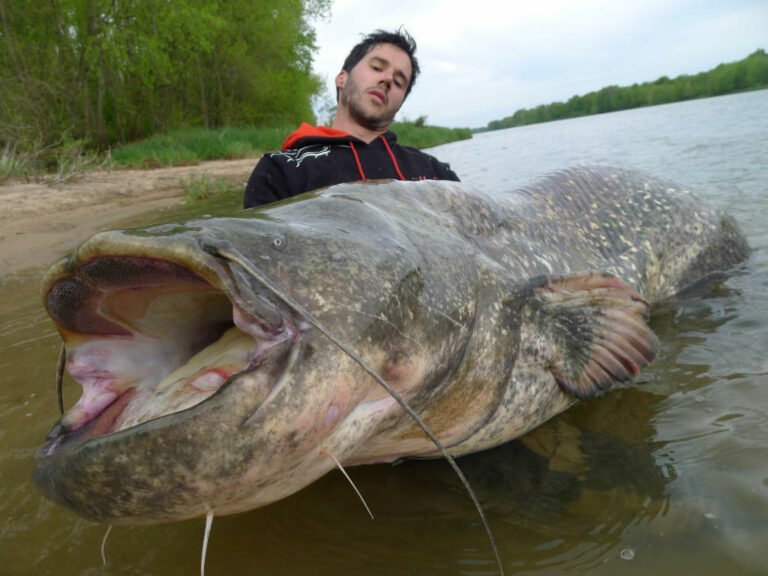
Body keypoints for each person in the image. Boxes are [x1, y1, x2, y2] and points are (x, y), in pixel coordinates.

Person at [243, 29, 459, 208]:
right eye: (377, 67)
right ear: (341, 78)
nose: (387, 79)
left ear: (399, 104)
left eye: (399, 82)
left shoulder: (437, 174)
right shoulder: (279, 170)